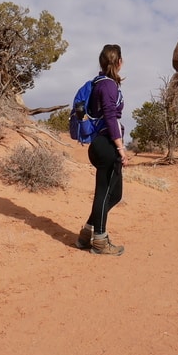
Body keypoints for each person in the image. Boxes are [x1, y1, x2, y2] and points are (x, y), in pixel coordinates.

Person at [76, 44, 128, 256]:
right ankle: (100, 241)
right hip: (106, 145)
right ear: (119, 62)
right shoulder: (107, 86)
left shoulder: (101, 84)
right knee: (104, 193)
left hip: (101, 144)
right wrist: (120, 147)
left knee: (113, 194)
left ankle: (86, 233)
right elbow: (110, 116)